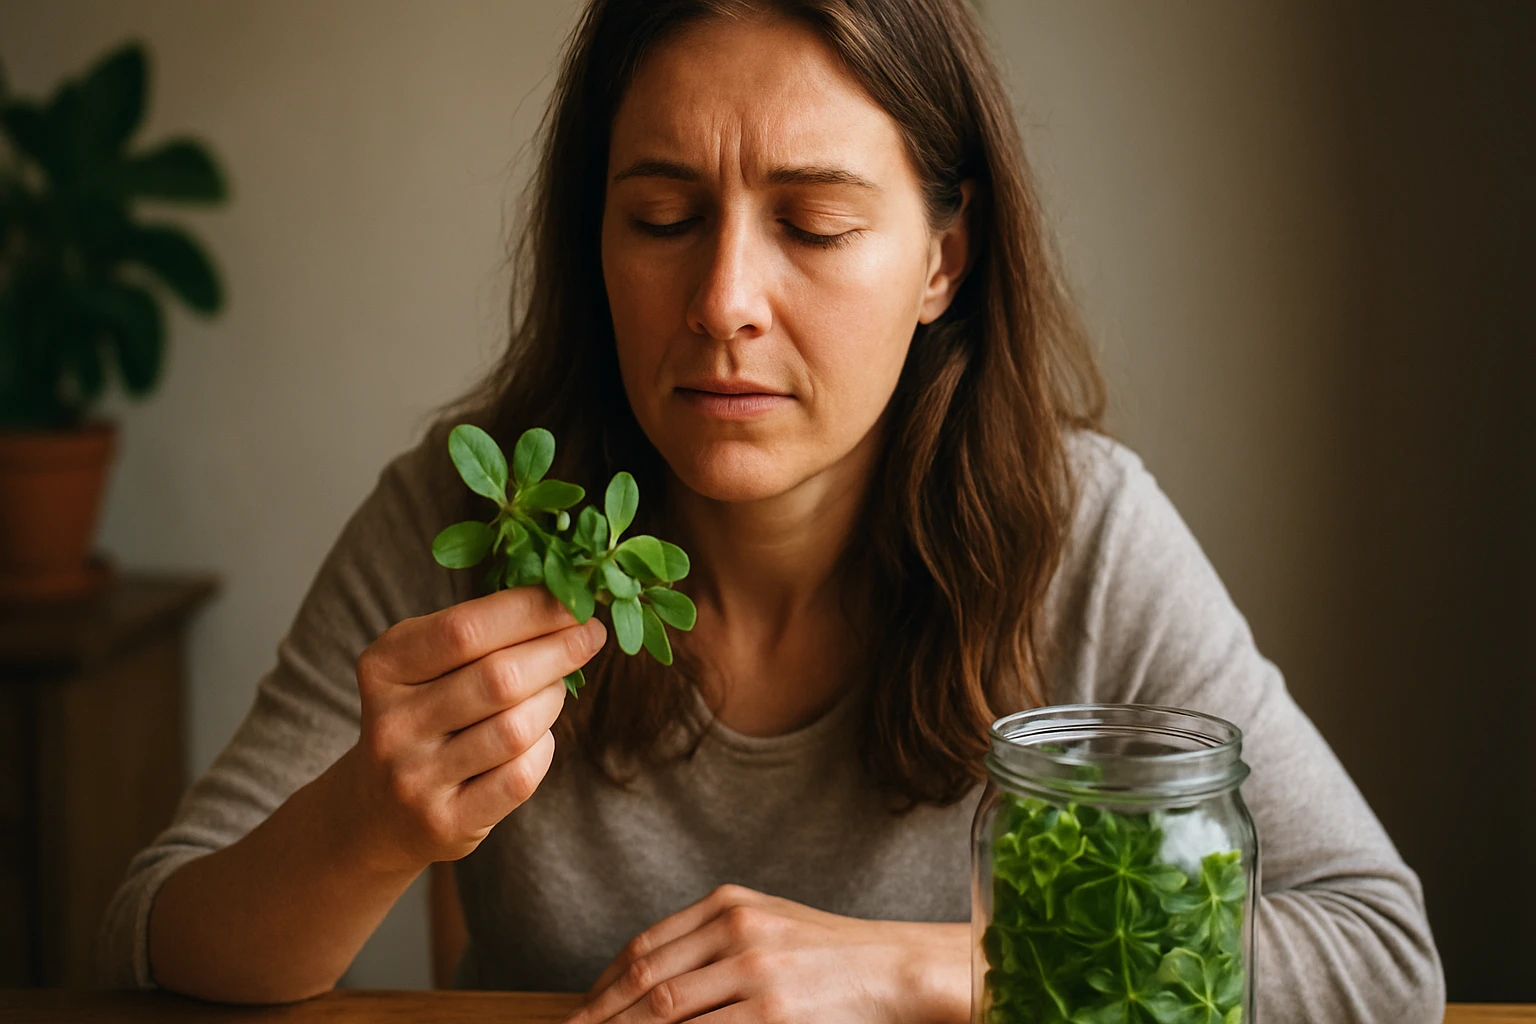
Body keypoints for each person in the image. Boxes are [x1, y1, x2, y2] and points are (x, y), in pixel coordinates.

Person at [99, 1, 1445, 1020]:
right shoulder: (472, 511)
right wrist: (365, 826)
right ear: (598, 242)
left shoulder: (1077, 530)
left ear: (942, 258)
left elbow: (1381, 956)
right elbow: (144, 940)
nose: (724, 299)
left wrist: (927, 973)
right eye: (665, 215)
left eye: (811, 225)